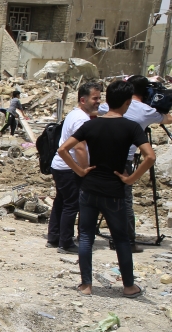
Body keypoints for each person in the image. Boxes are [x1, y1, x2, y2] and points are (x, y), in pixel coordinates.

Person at [57, 80, 154, 298]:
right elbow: (150, 157)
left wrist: (80, 170)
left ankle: (86, 285)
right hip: (114, 190)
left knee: (85, 237)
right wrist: (131, 179)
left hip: (89, 188)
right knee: (121, 239)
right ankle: (129, 286)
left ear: (107, 101)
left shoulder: (91, 124)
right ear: (128, 102)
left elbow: (63, 149)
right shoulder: (131, 127)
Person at [98, 75, 172, 251]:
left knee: (98, 196)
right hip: (125, 160)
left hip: (102, 158)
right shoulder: (147, 111)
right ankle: (127, 240)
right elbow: (168, 118)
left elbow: (96, 110)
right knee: (125, 200)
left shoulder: (110, 106)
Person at [47, 82, 100, 252]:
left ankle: (55, 237)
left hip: (62, 166)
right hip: (69, 168)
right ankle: (66, 242)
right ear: (83, 100)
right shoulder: (81, 119)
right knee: (72, 204)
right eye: (95, 98)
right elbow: (79, 147)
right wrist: (85, 170)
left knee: (62, 202)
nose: (98, 102)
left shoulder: (76, 114)